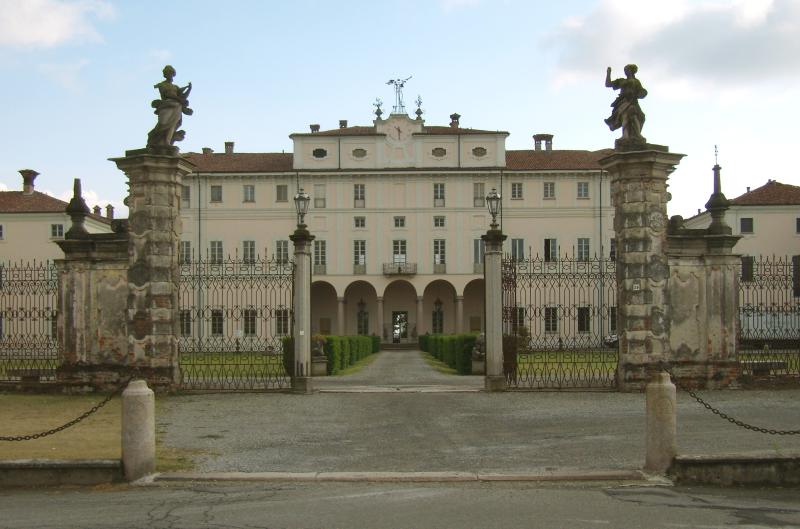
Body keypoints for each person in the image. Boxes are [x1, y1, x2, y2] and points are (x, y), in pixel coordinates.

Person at [147, 65, 193, 148]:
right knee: (162, 123)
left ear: (173, 74)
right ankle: (153, 139)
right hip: (166, 106)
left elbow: (183, 97)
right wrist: (180, 99)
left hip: (177, 107)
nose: (169, 75)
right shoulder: (161, 85)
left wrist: (189, 89)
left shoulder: (176, 87)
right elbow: (168, 94)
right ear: (165, 74)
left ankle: (167, 142)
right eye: (167, 73)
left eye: (171, 73)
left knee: (172, 125)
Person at [604, 64, 647, 143]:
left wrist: (641, 93)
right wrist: (608, 73)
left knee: (638, 116)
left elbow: (642, 91)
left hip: (633, 102)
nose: (625, 71)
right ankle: (626, 135)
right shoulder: (622, 81)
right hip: (624, 102)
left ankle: (636, 135)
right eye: (625, 70)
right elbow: (608, 84)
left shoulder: (636, 81)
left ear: (631, 71)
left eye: (627, 70)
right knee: (625, 116)